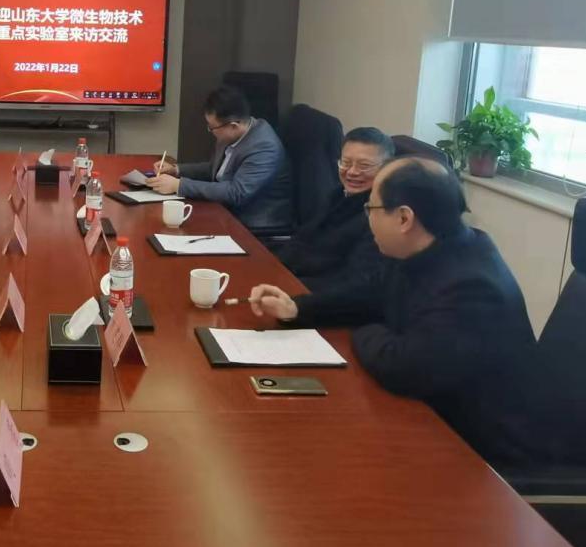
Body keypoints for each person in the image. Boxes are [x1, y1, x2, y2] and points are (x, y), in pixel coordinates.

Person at [247, 157, 545, 466]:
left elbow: (402, 366)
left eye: (371, 209)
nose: (367, 218)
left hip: (479, 456)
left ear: (404, 218)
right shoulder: (429, 248)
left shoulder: (473, 288)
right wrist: (296, 308)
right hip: (429, 417)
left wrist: (363, 329)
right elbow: (369, 295)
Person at [147, 85, 293, 232]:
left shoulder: (264, 147)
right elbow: (216, 170)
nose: (210, 131)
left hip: (252, 223)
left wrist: (179, 185)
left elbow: (236, 193)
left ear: (233, 126)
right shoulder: (232, 134)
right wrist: (176, 170)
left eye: (212, 127)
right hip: (223, 209)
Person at [270, 127, 393, 290]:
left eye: (364, 165)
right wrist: (272, 267)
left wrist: (286, 287)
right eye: (346, 162)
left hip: (314, 293)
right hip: (290, 277)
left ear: (387, 168)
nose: (352, 172)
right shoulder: (338, 193)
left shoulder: (380, 215)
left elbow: (355, 282)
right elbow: (303, 238)